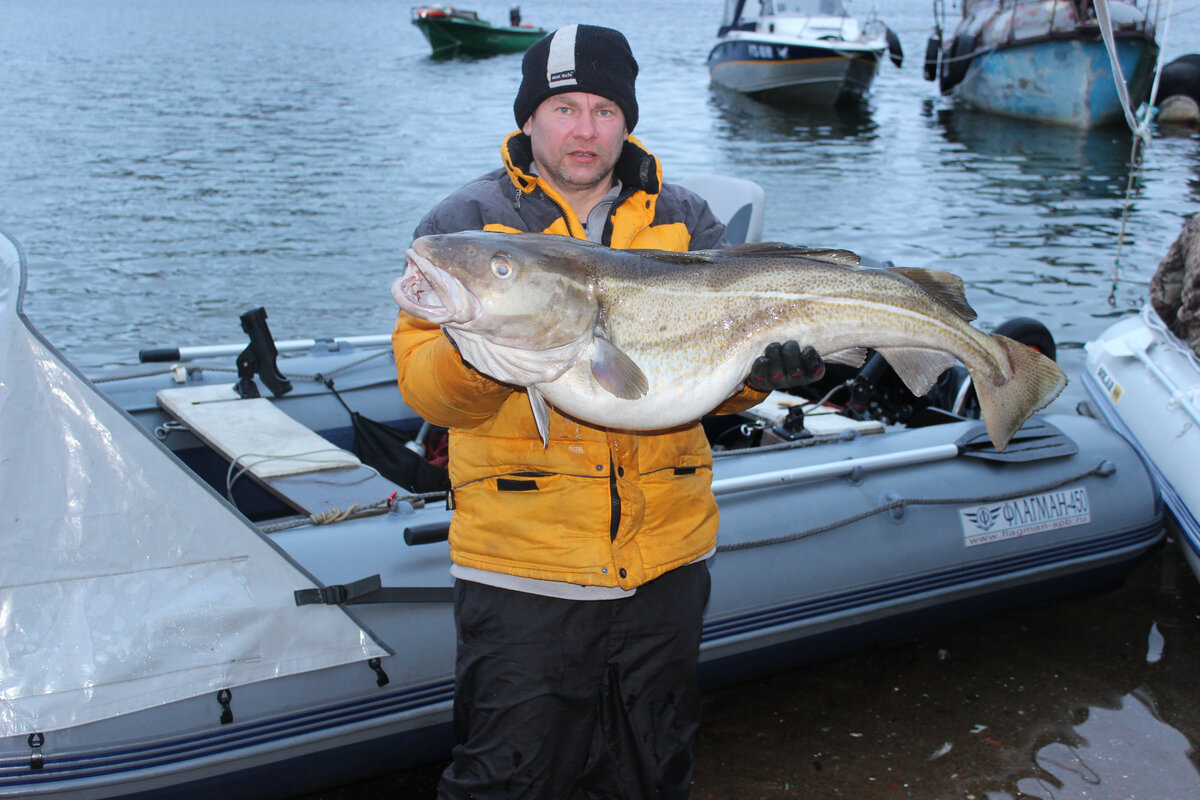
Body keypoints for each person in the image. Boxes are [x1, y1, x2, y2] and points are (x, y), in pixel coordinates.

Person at [392, 24, 824, 799]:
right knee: (505, 782)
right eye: (563, 108)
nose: (584, 129)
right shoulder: (464, 226)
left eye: (602, 109)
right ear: (529, 120)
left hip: (666, 562)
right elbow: (424, 390)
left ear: (627, 119)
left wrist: (761, 379)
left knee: (649, 777)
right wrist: (475, 349)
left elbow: (713, 389)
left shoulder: (686, 218)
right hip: (523, 570)